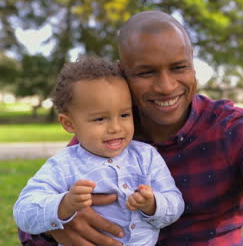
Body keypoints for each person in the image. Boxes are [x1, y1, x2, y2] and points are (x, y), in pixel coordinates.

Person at [19, 11, 243, 246]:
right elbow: (39, 204)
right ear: (123, 71)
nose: (166, 86)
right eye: (146, 72)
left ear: (194, 66)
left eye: (179, 67)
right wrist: (52, 224)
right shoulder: (106, 135)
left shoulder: (234, 130)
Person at [14, 56, 184, 246]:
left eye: (124, 115)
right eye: (99, 119)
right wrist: (64, 205)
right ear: (69, 123)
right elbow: (24, 211)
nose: (115, 127)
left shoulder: (147, 157)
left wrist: (153, 204)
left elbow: (175, 203)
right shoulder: (63, 165)